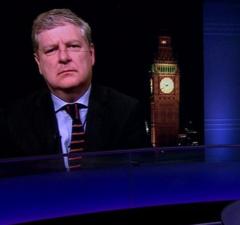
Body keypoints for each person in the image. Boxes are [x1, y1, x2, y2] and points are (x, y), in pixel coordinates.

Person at [0, 8, 149, 173]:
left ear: (91, 54)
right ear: (38, 63)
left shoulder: (126, 111)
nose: (63, 57)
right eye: (51, 50)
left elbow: (137, 180)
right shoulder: (14, 119)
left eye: (73, 46)